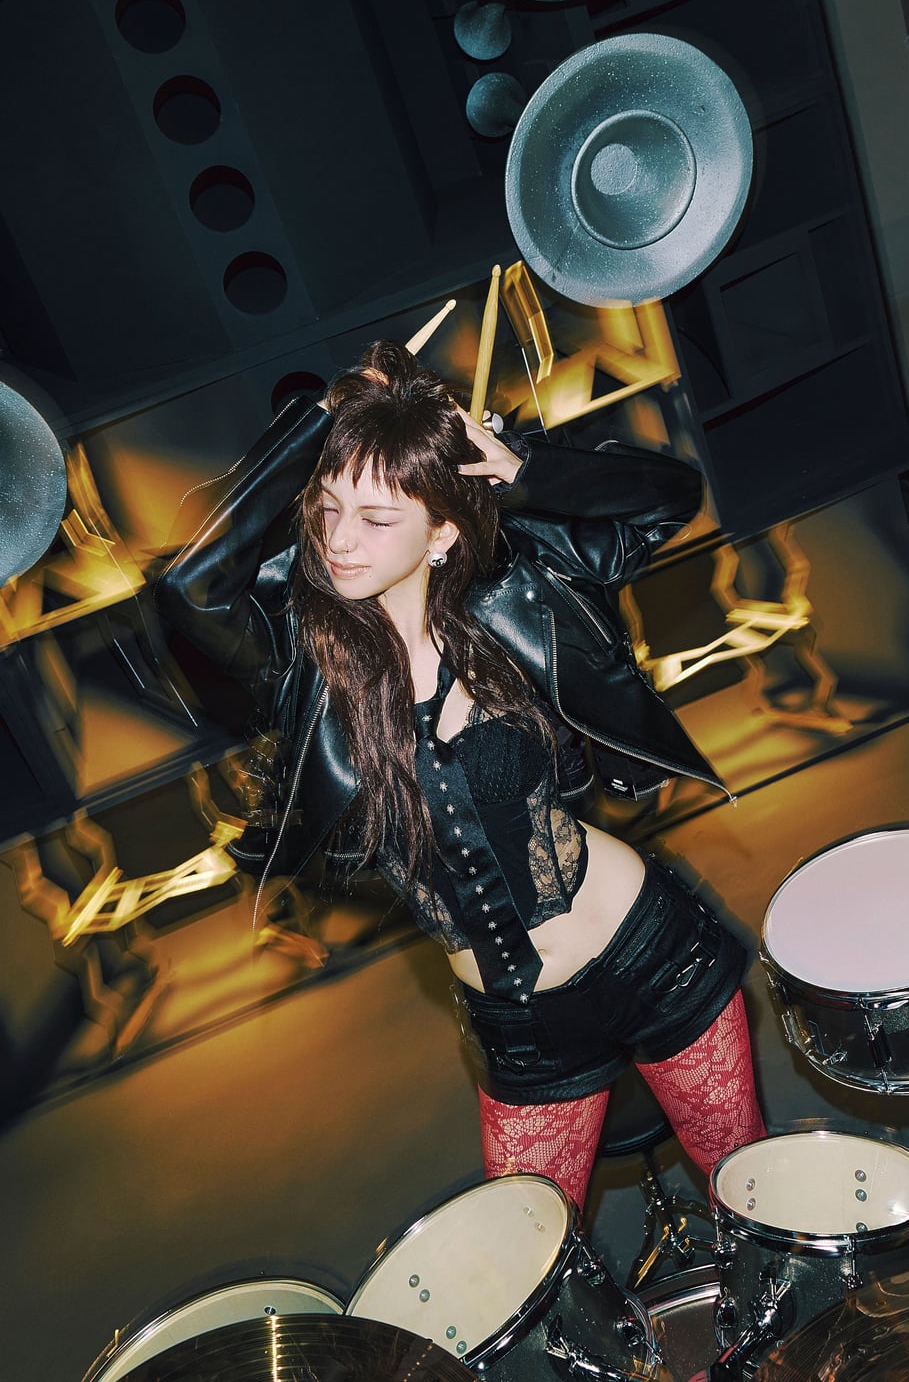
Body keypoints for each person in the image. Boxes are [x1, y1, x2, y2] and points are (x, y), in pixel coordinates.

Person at [157, 340, 765, 1209]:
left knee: (750, 1189)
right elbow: (190, 586)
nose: (340, 540)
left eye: (376, 519)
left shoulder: (521, 594)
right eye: (328, 509)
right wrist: (325, 422)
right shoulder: (301, 658)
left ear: (441, 532)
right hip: (521, 1030)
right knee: (527, 1257)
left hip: (650, 953)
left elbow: (669, 497)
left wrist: (526, 471)